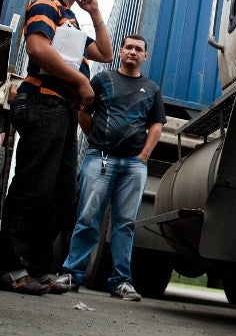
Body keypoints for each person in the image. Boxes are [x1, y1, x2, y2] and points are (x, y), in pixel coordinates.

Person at [0, 0, 113, 295]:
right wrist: (80, 81)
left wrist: (95, 14)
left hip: (61, 111)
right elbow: (37, 47)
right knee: (34, 187)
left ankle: (37, 267)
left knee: (61, 195)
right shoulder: (47, 5)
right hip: (42, 103)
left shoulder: (72, 19)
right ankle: (13, 269)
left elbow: (105, 53)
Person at [56, 34, 166, 301]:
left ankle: (121, 282)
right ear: (120, 51)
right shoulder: (103, 80)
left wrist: (143, 156)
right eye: (128, 47)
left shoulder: (151, 88)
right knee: (87, 218)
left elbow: (157, 124)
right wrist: (97, 139)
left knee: (125, 224)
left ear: (145, 56)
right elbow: (84, 111)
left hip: (133, 166)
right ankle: (72, 274)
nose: (133, 52)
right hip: (99, 159)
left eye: (139, 49)